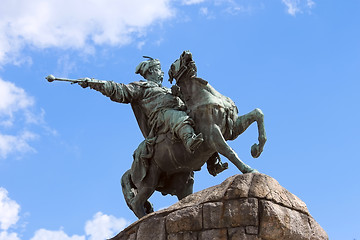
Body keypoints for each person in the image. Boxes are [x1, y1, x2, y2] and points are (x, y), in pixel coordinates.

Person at [81, 57, 204, 154]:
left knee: (201, 118)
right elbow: (118, 90)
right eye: (158, 70)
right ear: (151, 71)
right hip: (161, 118)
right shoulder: (140, 87)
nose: (162, 73)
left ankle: (213, 161)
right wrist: (93, 83)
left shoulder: (166, 89)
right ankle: (189, 140)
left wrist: (179, 95)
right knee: (178, 117)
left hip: (178, 111)